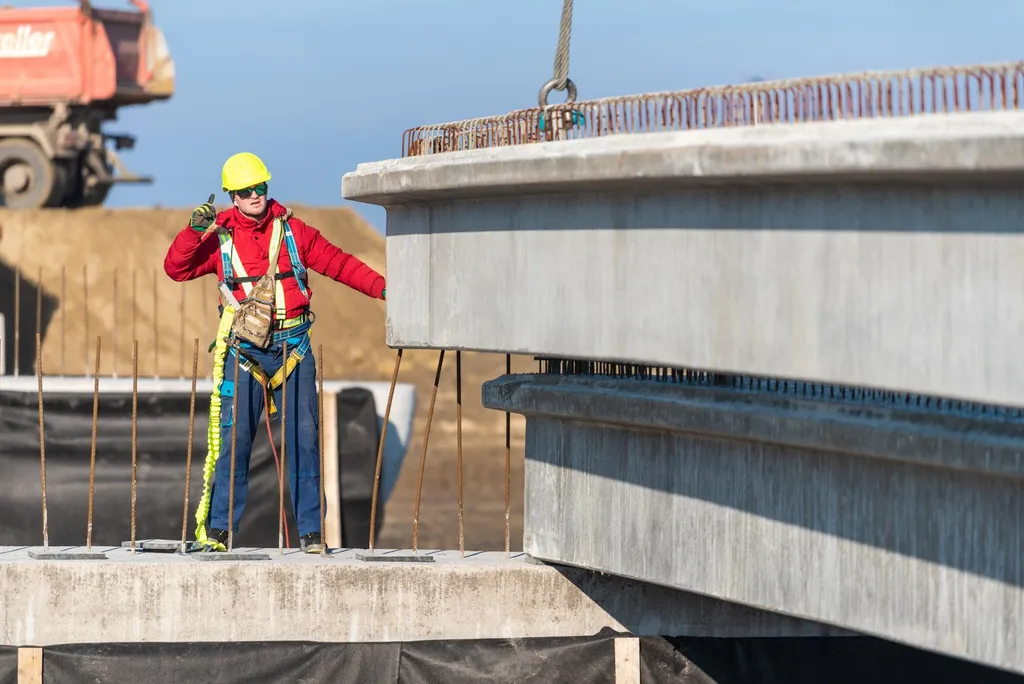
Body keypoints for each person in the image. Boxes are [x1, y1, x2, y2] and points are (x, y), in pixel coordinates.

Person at [163, 152, 386, 553]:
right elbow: (176, 269)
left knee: (304, 440)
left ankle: (312, 534)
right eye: (246, 191)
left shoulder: (295, 232)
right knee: (236, 442)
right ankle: (218, 532)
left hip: (293, 349)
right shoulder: (218, 240)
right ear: (232, 196)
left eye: (260, 188)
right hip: (244, 353)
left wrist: (383, 289)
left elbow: (339, 264)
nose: (254, 196)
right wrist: (191, 233)